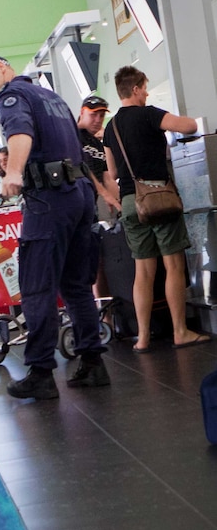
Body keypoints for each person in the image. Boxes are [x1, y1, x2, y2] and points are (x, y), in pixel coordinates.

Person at [0, 53, 107, 399]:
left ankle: (42, 372)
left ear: (1, 67)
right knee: (75, 285)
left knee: (35, 286)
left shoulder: (11, 96)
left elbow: (19, 134)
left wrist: (13, 172)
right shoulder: (52, 97)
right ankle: (93, 363)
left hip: (49, 200)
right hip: (78, 196)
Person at [102, 66, 208, 353]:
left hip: (129, 202)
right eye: (144, 87)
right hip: (157, 197)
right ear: (135, 89)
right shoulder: (149, 114)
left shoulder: (110, 127)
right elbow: (189, 127)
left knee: (143, 271)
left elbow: (111, 172)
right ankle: (180, 331)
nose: (146, 93)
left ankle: (144, 338)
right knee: (173, 265)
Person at [78, 95, 121, 219]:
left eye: (101, 116)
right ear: (82, 112)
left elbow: (107, 177)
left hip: (90, 204)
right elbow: (81, 168)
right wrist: (104, 193)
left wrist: (118, 201)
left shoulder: (97, 145)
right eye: (93, 114)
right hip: (71, 203)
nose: (98, 120)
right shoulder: (71, 135)